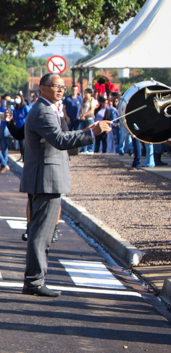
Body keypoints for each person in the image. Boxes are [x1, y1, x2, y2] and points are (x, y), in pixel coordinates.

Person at [21, 73, 110, 297]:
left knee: (42, 232)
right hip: (46, 179)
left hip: (46, 178)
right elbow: (60, 140)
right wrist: (92, 132)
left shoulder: (49, 109)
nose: (60, 90)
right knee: (41, 234)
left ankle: (35, 280)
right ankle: (34, 281)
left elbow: (63, 137)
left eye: (63, 87)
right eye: (55, 86)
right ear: (42, 88)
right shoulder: (43, 111)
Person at [78, 88, 97, 153]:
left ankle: (91, 149)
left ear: (90, 94)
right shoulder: (83, 100)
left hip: (89, 119)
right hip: (83, 119)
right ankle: (84, 149)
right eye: (84, 93)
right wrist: (80, 115)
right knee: (83, 134)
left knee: (91, 134)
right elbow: (80, 109)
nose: (85, 94)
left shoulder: (92, 101)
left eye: (86, 93)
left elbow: (91, 110)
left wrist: (84, 115)